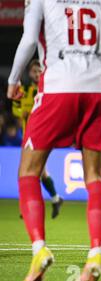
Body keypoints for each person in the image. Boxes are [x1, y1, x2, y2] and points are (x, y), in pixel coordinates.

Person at [7, 0, 101, 281]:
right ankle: (95, 254)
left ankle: (40, 248)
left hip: (58, 90)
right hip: (97, 93)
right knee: (95, 177)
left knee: (28, 171)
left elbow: (28, 41)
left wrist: (13, 79)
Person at [12, 59, 64, 219]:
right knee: (39, 171)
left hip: (41, 135)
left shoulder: (48, 91)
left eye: (39, 71)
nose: (36, 74)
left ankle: (28, 207)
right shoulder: (25, 90)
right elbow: (16, 109)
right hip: (27, 135)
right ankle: (55, 198)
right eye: (34, 71)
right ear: (29, 73)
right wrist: (22, 114)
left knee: (26, 171)